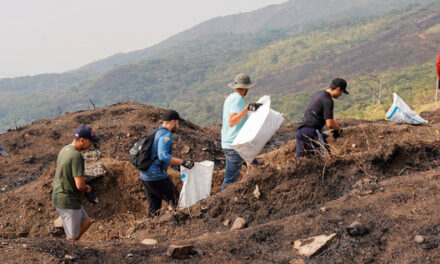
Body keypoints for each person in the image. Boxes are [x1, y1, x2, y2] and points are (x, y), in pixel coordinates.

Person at [140, 110, 194, 218]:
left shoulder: (156, 131)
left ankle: (149, 229)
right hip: (156, 176)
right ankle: (165, 223)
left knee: (154, 208)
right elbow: (163, 155)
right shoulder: (166, 135)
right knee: (177, 201)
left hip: (145, 175)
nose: (178, 126)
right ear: (173, 122)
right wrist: (182, 162)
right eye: (178, 123)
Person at [52, 125, 100, 243]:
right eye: (90, 142)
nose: (91, 145)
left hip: (62, 195)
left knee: (86, 222)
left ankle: (71, 246)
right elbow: (79, 185)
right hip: (67, 200)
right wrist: (87, 188)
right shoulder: (76, 156)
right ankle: (66, 255)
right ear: (82, 139)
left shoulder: (65, 149)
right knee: (72, 238)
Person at [221, 73, 261, 191]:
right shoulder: (237, 99)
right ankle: (221, 203)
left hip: (239, 144)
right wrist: (246, 108)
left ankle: (254, 192)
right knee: (230, 180)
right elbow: (232, 121)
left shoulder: (231, 98)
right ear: (246, 88)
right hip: (234, 145)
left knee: (256, 168)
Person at [296, 78, 349, 157]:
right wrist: (339, 129)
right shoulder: (328, 100)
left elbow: (319, 115)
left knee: (303, 162)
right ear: (338, 89)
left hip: (301, 132)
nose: (340, 95)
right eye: (341, 92)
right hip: (312, 132)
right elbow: (330, 124)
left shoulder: (318, 93)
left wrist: (335, 125)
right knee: (325, 159)